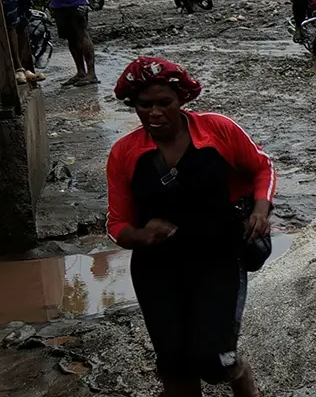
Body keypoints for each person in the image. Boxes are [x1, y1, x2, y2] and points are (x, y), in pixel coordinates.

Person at [104, 57, 274, 397]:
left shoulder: (217, 130)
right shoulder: (124, 153)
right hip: (158, 268)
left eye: (164, 103)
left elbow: (262, 167)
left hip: (218, 257)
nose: (154, 113)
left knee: (215, 360)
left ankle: (242, 378)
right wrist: (141, 234)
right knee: (175, 364)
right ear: (133, 106)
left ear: (181, 99)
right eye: (144, 105)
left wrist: (260, 208)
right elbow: (116, 223)